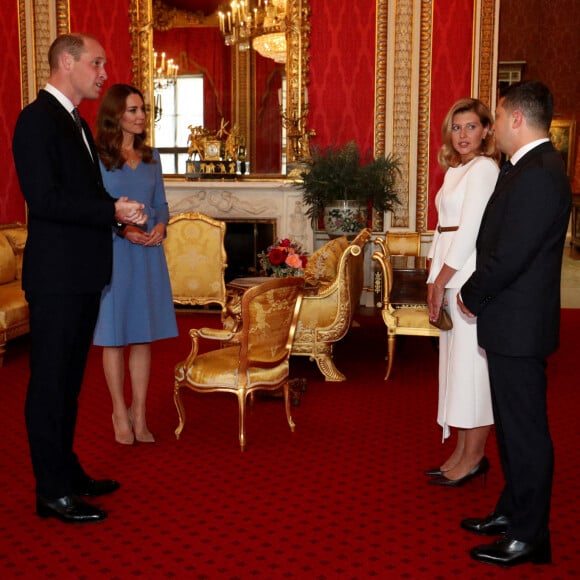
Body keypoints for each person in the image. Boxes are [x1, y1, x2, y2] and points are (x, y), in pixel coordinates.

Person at [11, 34, 147, 524]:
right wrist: (109, 209)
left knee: (69, 383)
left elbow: (84, 193)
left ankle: (66, 474)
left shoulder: (77, 125)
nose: (103, 72)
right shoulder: (36, 121)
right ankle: (50, 492)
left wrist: (116, 215)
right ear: (66, 62)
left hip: (82, 274)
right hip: (56, 277)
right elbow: (44, 202)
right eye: (96, 63)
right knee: (49, 384)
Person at [458, 81, 572, 567]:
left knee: (525, 431)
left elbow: (512, 253)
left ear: (517, 120)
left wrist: (471, 292)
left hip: (519, 323)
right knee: (509, 426)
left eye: (499, 118)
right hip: (510, 320)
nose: (495, 127)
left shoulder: (541, 172)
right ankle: (512, 510)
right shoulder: (524, 167)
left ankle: (530, 535)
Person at [92, 84, 178, 445]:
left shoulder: (151, 157)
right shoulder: (96, 158)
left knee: (142, 337)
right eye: (133, 110)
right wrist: (122, 229)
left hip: (148, 253)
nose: (142, 115)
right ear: (116, 115)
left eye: (143, 109)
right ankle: (118, 411)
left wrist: (159, 225)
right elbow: (93, 208)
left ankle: (139, 413)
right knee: (114, 337)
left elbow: (160, 204)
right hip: (114, 253)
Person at [425, 98, 500, 487]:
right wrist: (431, 277)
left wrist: (442, 280)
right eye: (457, 128)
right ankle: (460, 452)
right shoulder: (457, 168)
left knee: (474, 371)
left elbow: (469, 232)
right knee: (456, 369)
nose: (463, 135)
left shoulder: (485, 169)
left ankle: (474, 458)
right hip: (447, 272)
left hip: (466, 276)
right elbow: (442, 229)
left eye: (471, 127)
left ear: (487, 130)